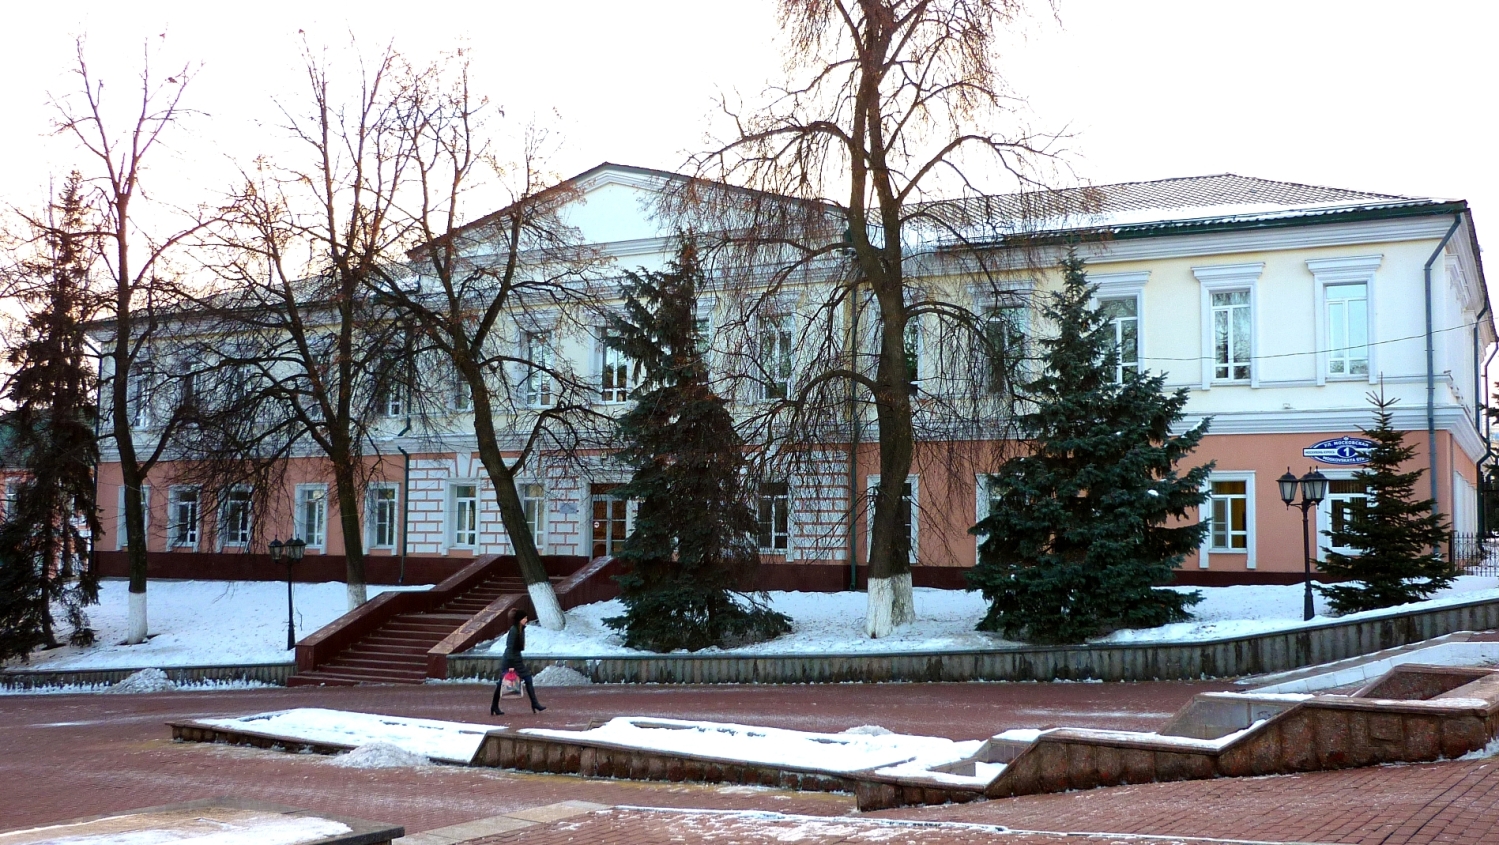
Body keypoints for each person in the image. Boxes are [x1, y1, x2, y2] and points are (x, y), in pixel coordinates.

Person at [490, 607, 546, 715]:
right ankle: (494, 706)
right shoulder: (514, 630)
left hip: (516, 659)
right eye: (525, 618)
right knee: (502, 682)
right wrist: (511, 665)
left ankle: (534, 703)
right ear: (520, 619)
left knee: (528, 678)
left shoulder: (520, 629)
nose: (526, 619)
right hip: (510, 660)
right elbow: (510, 647)